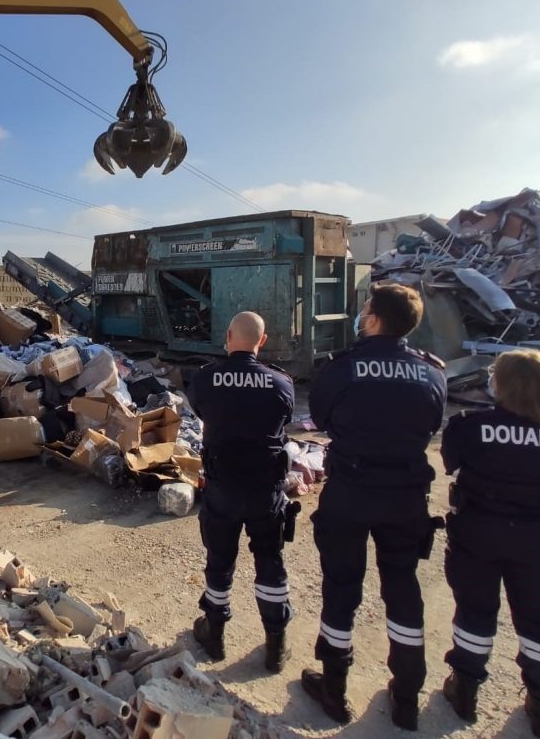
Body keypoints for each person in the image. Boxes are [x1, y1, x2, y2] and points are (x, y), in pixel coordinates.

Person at [301, 282, 447, 730]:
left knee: (342, 587)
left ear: (375, 319)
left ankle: (335, 687)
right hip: (405, 496)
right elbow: (432, 423)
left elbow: (321, 420)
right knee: (402, 587)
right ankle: (406, 695)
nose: (361, 316)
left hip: (351, 491)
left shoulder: (343, 367)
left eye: (365, 310)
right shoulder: (432, 373)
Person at [440, 349, 540, 739]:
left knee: (475, 611)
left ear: (502, 384)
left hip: (478, 532)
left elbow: (450, 462)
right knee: (537, 620)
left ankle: (465, 688)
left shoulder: (469, 425)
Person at [187, 311, 297, 671]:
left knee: (220, 560)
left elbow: (201, 411)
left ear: (229, 335)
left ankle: (214, 634)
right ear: (261, 341)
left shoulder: (205, 379)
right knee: (270, 560)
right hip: (266, 489)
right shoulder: (281, 384)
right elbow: (284, 420)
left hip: (223, 487)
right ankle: (276, 646)